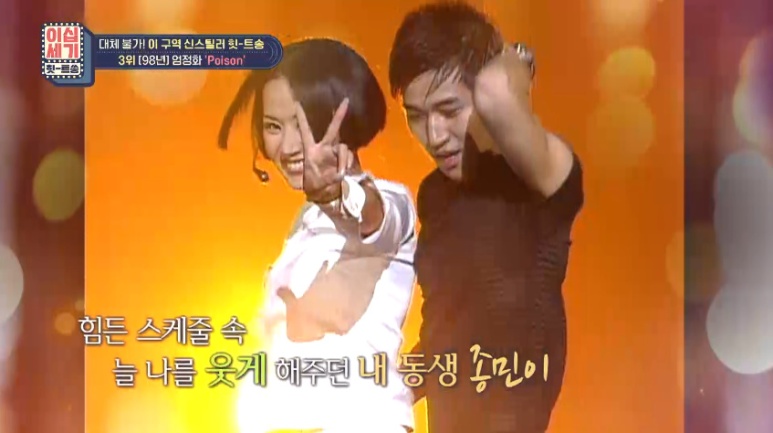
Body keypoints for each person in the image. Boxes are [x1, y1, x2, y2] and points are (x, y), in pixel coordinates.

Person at [388, 2, 584, 433]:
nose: (434, 136)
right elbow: (444, 334)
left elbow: (496, 91)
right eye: (416, 117)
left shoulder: (541, 174)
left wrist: (514, 58)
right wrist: (381, 392)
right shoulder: (435, 195)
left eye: (449, 110)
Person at [219, 38, 417, 433]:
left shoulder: (389, 201)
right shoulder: (303, 224)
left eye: (304, 122)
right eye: (273, 127)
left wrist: (335, 194)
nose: (290, 145)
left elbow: (375, 219)